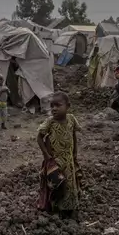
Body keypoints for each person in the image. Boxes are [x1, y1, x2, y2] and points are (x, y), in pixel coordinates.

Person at [37, 92, 81, 220]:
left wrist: (75, 153)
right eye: (52, 106)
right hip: (56, 161)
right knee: (57, 185)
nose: (54, 108)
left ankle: (72, 209)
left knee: (70, 185)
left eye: (58, 105)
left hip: (69, 160)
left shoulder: (71, 119)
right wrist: (46, 155)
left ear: (68, 106)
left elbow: (74, 136)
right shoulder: (50, 122)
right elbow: (39, 137)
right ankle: (57, 210)